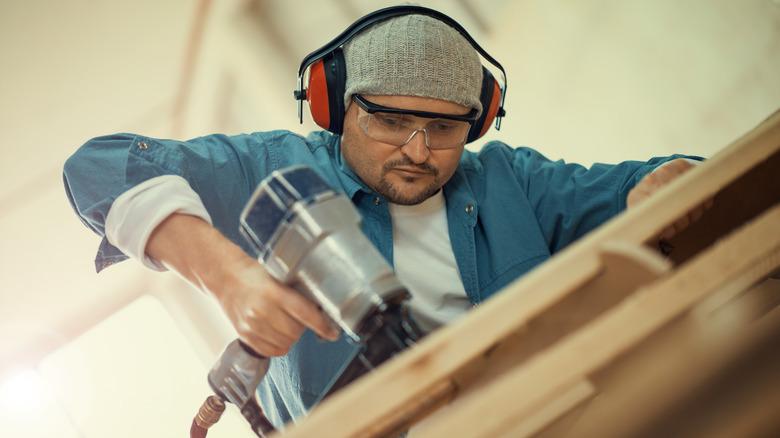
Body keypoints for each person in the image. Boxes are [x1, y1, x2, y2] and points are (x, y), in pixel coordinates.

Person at [62, 7, 700, 426]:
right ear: (334, 106)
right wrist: (228, 277)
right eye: (390, 121)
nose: (418, 152)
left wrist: (661, 183)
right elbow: (96, 166)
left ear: (478, 121)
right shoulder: (270, 168)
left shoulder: (512, 179)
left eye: (444, 128)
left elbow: (647, 184)